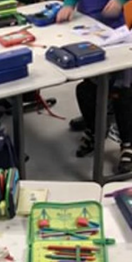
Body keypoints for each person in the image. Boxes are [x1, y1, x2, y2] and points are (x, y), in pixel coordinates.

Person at [57, 0, 132, 173]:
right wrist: (68, 4)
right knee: (86, 90)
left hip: (117, 33)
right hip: (89, 30)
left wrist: (120, 2)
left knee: (122, 94)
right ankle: (96, 128)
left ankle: (128, 144)